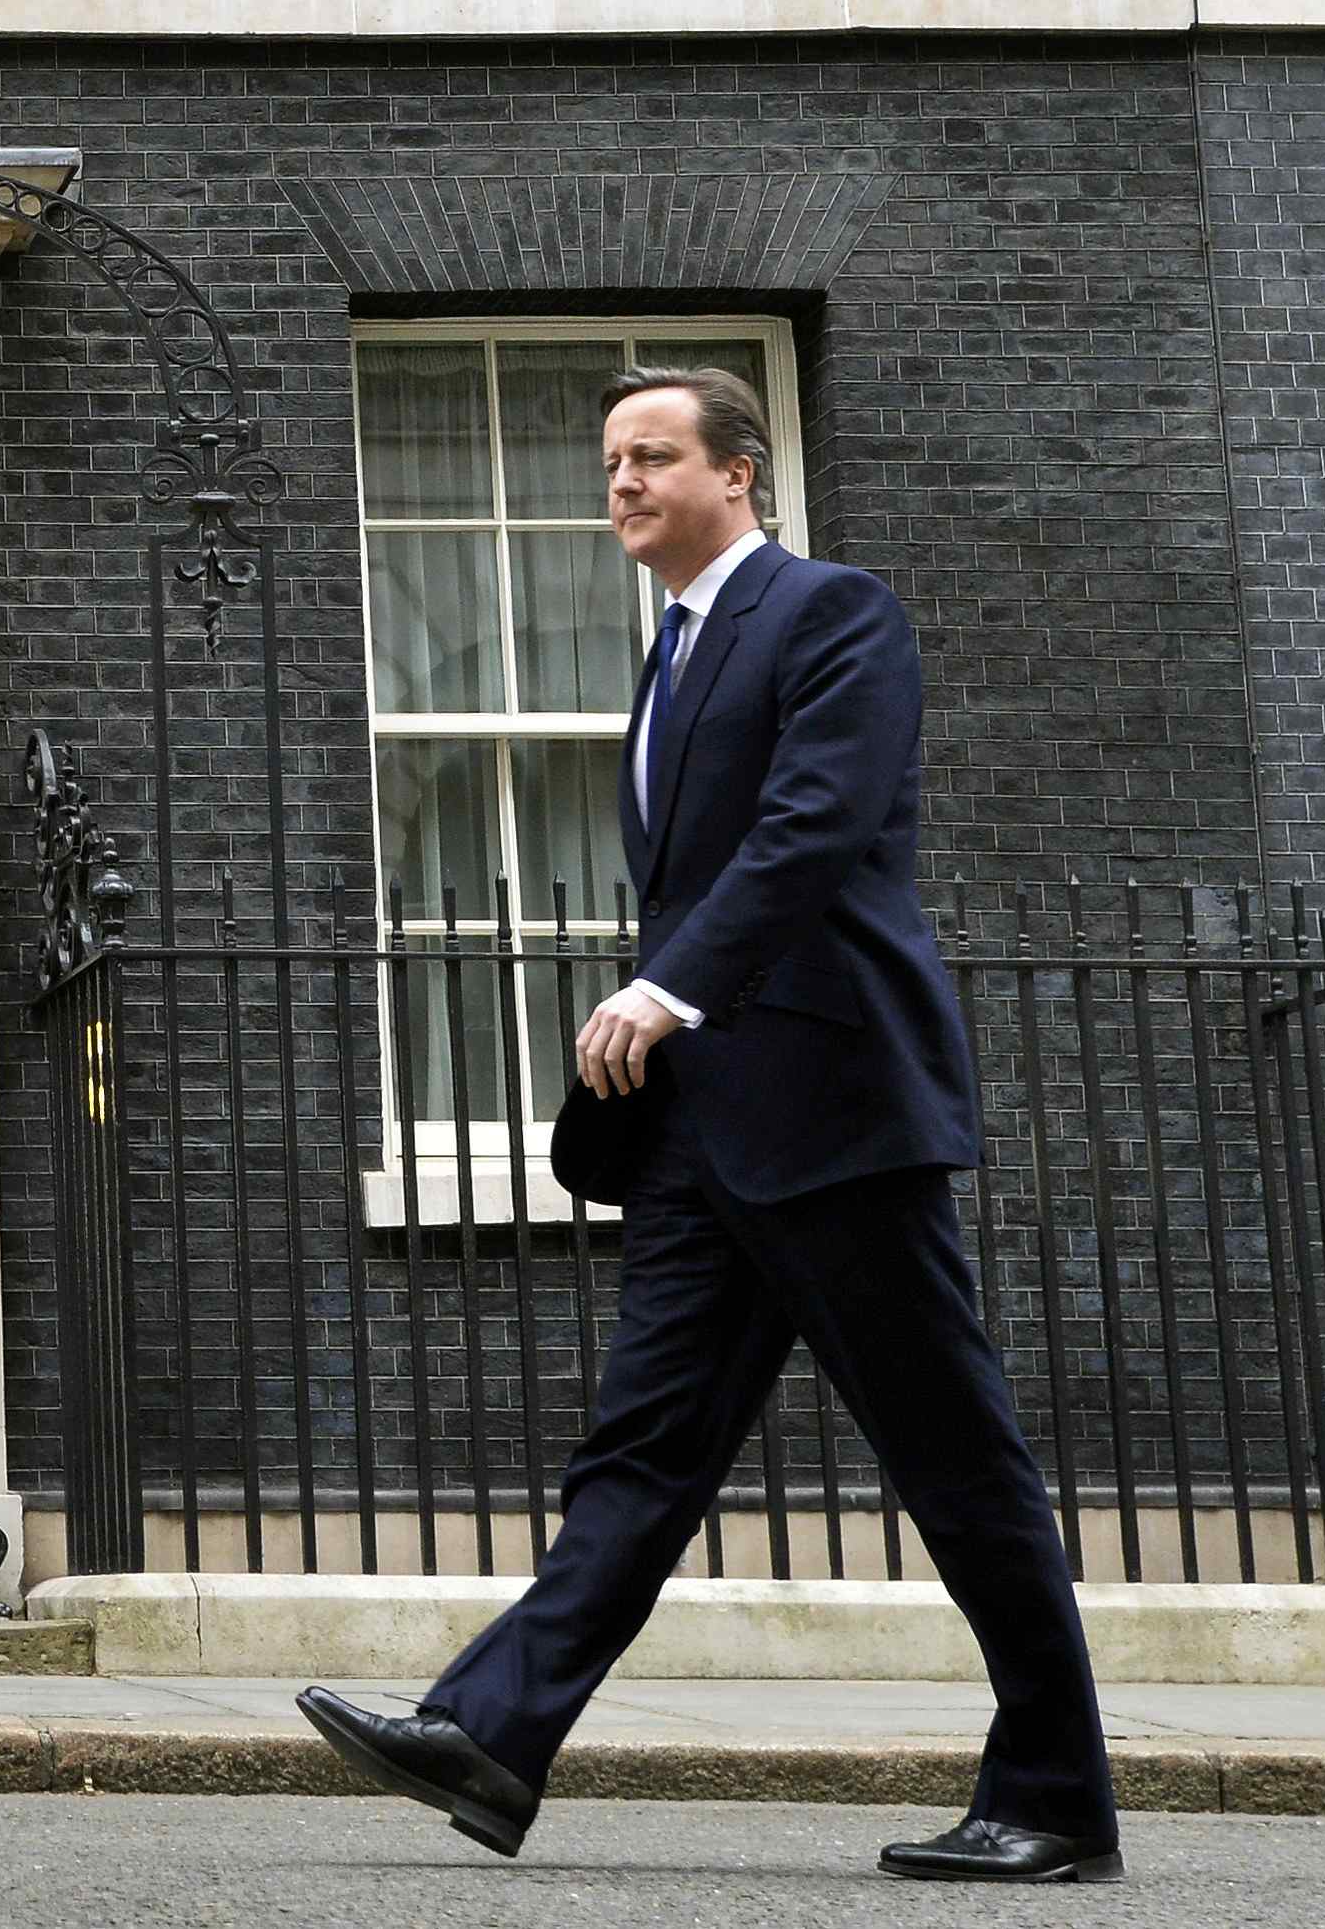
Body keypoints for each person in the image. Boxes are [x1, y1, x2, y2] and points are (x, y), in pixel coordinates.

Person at [297, 365, 1121, 1885]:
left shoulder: (832, 614)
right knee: (642, 1453)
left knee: (957, 1461)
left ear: (739, 474)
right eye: (610, 458)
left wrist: (664, 989)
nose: (618, 481)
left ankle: (1058, 1793)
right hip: (704, 1134)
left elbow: (813, 826)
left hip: (835, 1113)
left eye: (651, 454)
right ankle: (488, 1730)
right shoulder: (665, 659)